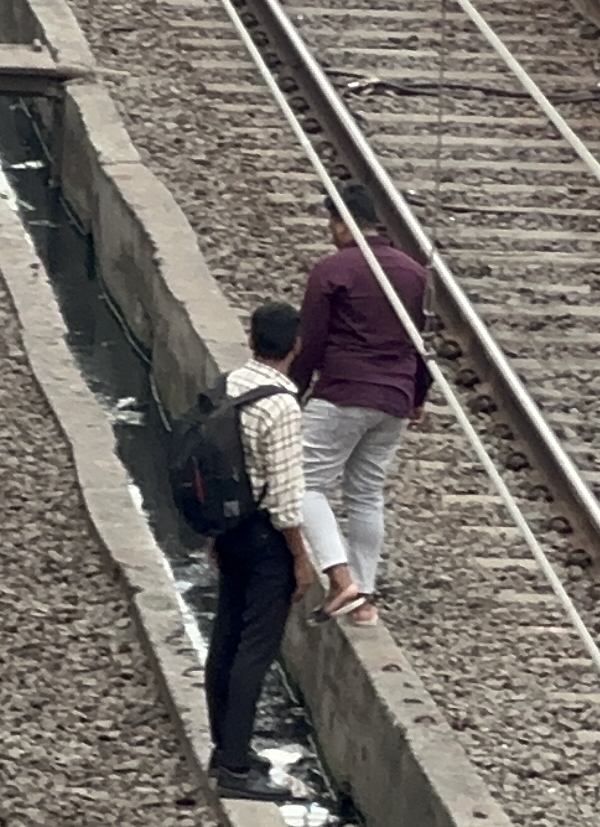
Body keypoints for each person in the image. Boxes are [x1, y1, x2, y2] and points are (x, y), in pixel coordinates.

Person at [293, 187, 432, 626]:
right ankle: (365, 599)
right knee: (366, 492)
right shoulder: (413, 272)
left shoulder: (333, 270)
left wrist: (292, 391)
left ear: (341, 222)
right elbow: (420, 339)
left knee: (302, 483)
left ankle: (340, 580)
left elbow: (311, 341)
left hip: (343, 393)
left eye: (331, 225)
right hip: (394, 399)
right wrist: (418, 395)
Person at [206, 303, 313, 802]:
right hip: (266, 538)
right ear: (295, 347)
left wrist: (214, 532)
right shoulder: (282, 406)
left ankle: (224, 747)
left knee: (225, 635)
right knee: (255, 650)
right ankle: (234, 767)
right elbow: (288, 502)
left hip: (228, 528)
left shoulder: (228, 385)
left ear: (252, 341)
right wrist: (300, 558)